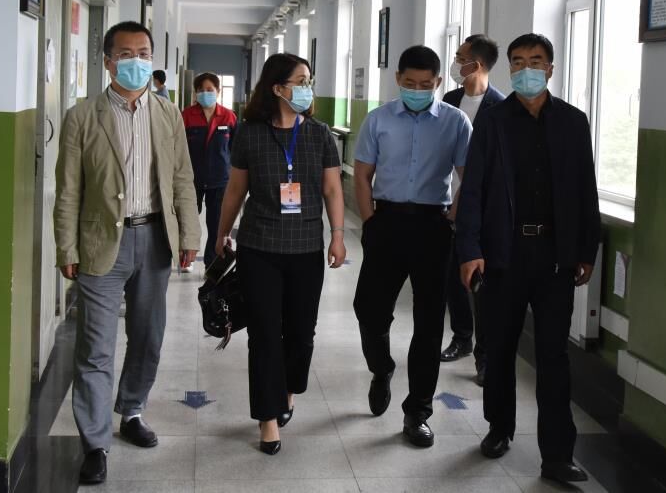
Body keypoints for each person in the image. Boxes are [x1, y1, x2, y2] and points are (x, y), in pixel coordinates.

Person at [54, 21, 200, 485]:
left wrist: (189, 235)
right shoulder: (83, 117)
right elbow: (69, 190)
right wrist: (66, 245)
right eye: (126, 54)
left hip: (154, 239)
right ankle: (95, 443)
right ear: (108, 61)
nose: (136, 61)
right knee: (95, 347)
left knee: (148, 336)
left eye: (144, 53)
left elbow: (182, 179)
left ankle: (132, 410)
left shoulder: (168, 113)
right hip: (101, 243)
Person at [455, 33, 600, 484]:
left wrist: (586, 250)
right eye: (517, 62)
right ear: (510, 69)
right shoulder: (494, 121)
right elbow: (473, 189)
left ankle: (557, 455)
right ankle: (499, 429)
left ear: (550, 69)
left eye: (535, 61)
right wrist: (470, 250)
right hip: (504, 254)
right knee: (500, 348)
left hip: (555, 257)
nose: (526, 70)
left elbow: (586, 190)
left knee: (553, 356)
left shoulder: (573, 122)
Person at [215, 53, 346, 456]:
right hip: (260, 248)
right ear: (277, 88)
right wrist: (221, 233)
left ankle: (288, 390)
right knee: (264, 334)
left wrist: (338, 235)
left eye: (309, 80)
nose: (307, 88)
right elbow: (236, 189)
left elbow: (332, 189)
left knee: (301, 333)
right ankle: (267, 418)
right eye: (300, 81)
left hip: (306, 248)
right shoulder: (250, 134)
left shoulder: (320, 134)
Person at [353, 45, 472, 448]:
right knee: (369, 309)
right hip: (386, 222)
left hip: (432, 226)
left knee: (429, 321)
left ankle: (417, 411)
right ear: (398, 80)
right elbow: (362, 174)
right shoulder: (379, 119)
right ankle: (382, 367)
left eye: (425, 84)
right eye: (410, 83)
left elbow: (468, 175)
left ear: (437, 82)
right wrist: (369, 220)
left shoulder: (455, 122)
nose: (417, 90)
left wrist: (452, 216)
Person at [440, 34, 505, 387]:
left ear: (475, 64)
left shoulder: (500, 107)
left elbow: (492, 170)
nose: (455, 62)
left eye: (459, 57)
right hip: (443, 202)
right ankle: (461, 338)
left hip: (478, 210)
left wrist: (463, 203)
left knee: (481, 285)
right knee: (452, 278)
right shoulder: (450, 101)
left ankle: (485, 356)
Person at [182, 72, 238, 271]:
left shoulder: (229, 116)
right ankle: (186, 258)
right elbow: (178, 148)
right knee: (188, 221)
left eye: (209, 90)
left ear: (218, 91)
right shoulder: (186, 116)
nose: (205, 93)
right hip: (191, 179)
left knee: (216, 224)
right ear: (195, 93)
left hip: (220, 179)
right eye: (200, 90)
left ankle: (211, 264)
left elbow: (235, 149)